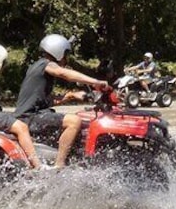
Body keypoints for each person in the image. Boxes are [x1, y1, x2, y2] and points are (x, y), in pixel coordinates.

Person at [14, 34, 109, 168]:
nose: (66, 58)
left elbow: (44, 101)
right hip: (29, 117)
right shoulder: (45, 64)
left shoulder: (38, 68)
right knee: (74, 121)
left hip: (33, 115)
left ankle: (73, 159)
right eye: (65, 54)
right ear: (57, 51)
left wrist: (71, 96)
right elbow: (63, 73)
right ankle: (60, 166)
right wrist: (95, 82)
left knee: (78, 117)